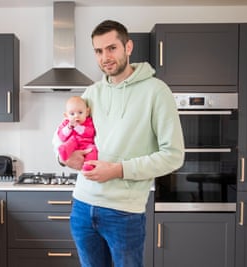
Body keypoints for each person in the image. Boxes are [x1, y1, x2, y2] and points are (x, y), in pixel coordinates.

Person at [53, 20, 185, 267]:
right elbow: (64, 130)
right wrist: (63, 157)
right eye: (99, 51)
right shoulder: (92, 93)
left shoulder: (157, 92)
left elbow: (173, 155)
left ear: (128, 47)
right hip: (82, 206)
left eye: (112, 48)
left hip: (124, 212)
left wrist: (118, 170)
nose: (105, 57)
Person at [57, 96, 98, 171]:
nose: (76, 116)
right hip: (74, 142)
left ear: (87, 112)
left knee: (93, 150)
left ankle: (88, 166)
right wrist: (69, 127)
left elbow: (90, 133)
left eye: (80, 112)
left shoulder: (88, 122)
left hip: (87, 144)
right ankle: (64, 152)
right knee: (69, 144)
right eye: (72, 114)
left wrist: (77, 127)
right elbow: (61, 136)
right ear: (66, 115)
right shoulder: (66, 123)